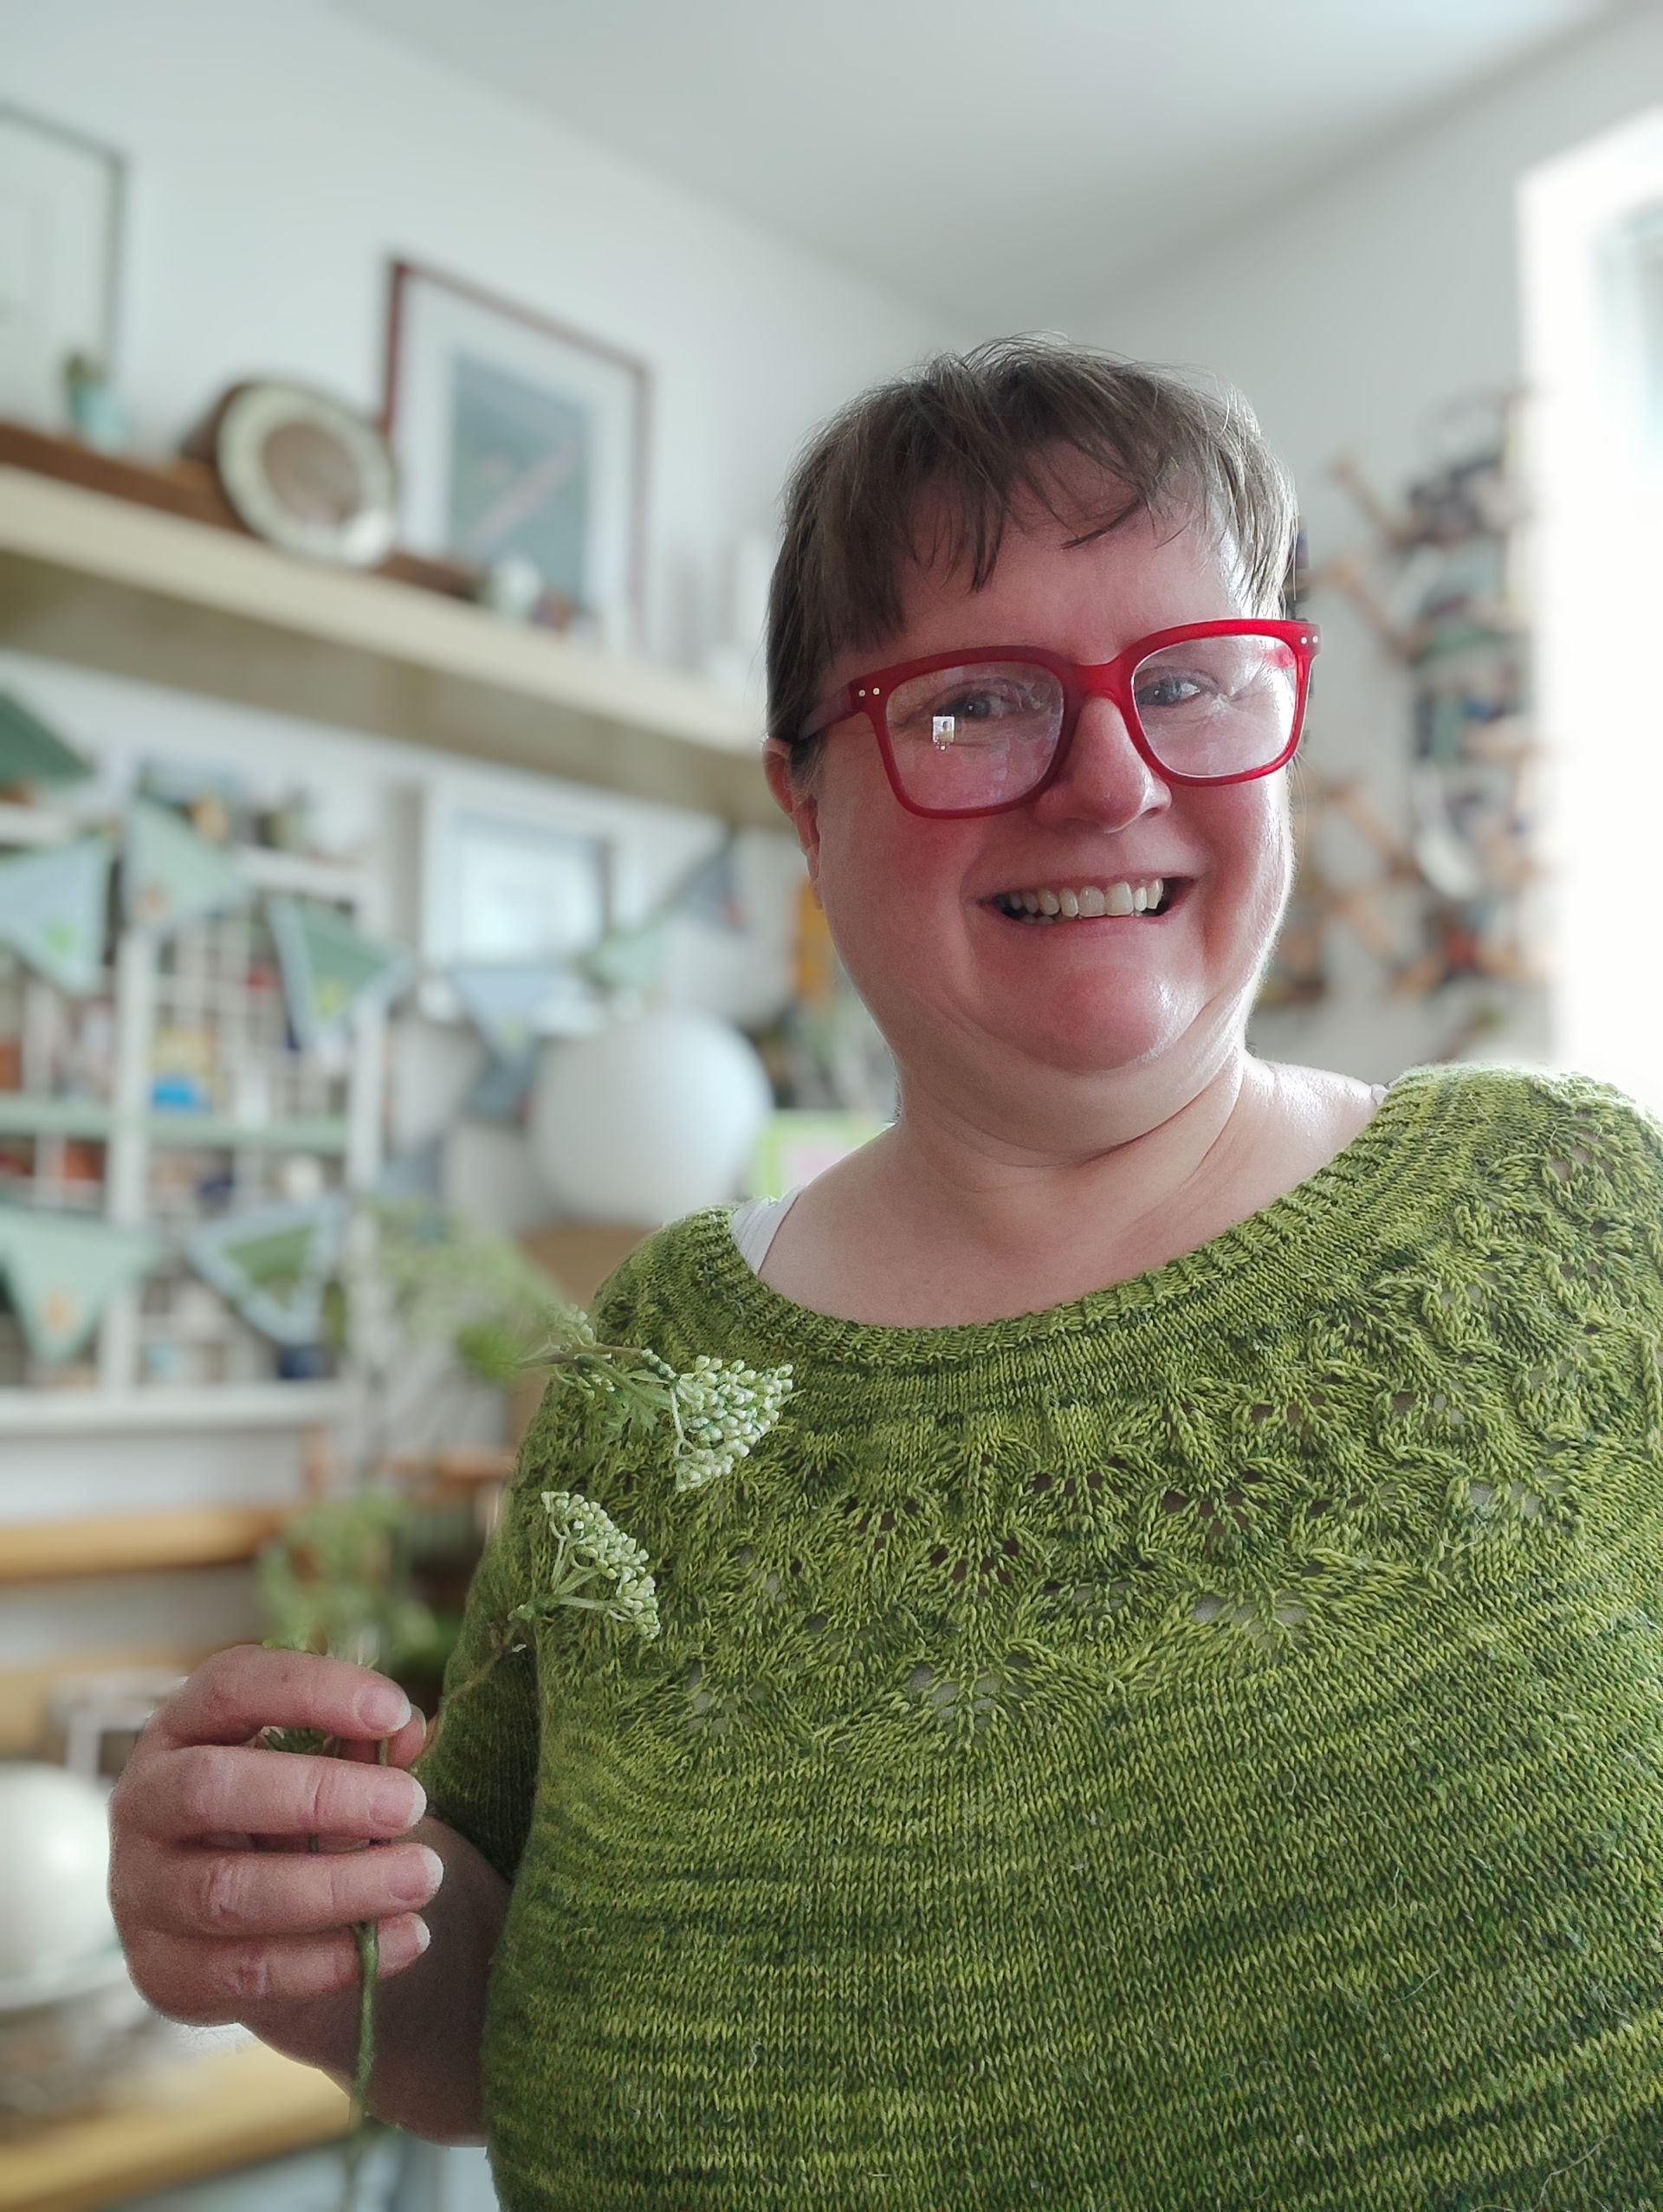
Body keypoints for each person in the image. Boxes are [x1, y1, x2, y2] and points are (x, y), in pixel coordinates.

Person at [110, 338, 1663, 2208]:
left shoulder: (1574, 1210)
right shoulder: (663, 1368)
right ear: (805, 798)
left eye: (1190, 680)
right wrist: (297, 1922)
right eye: (977, 702)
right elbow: (484, 2014)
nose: (1111, 777)